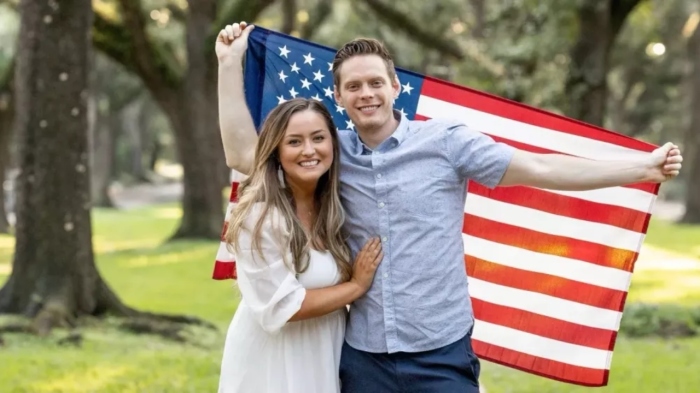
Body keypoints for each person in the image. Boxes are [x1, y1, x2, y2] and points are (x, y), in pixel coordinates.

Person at [215, 22, 684, 393]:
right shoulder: (330, 152)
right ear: (338, 97)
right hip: (362, 355)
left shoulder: (446, 141)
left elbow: (541, 170)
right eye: (353, 87)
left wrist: (640, 168)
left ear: (395, 86)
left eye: (376, 82)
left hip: (440, 349)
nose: (366, 94)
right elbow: (245, 154)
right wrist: (228, 63)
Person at [217, 97, 384, 393]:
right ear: (276, 152)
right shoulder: (261, 216)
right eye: (294, 142)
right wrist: (356, 287)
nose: (309, 150)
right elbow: (282, 307)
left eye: (318, 138)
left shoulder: (335, 209)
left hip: (326, 350)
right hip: (273, 361)